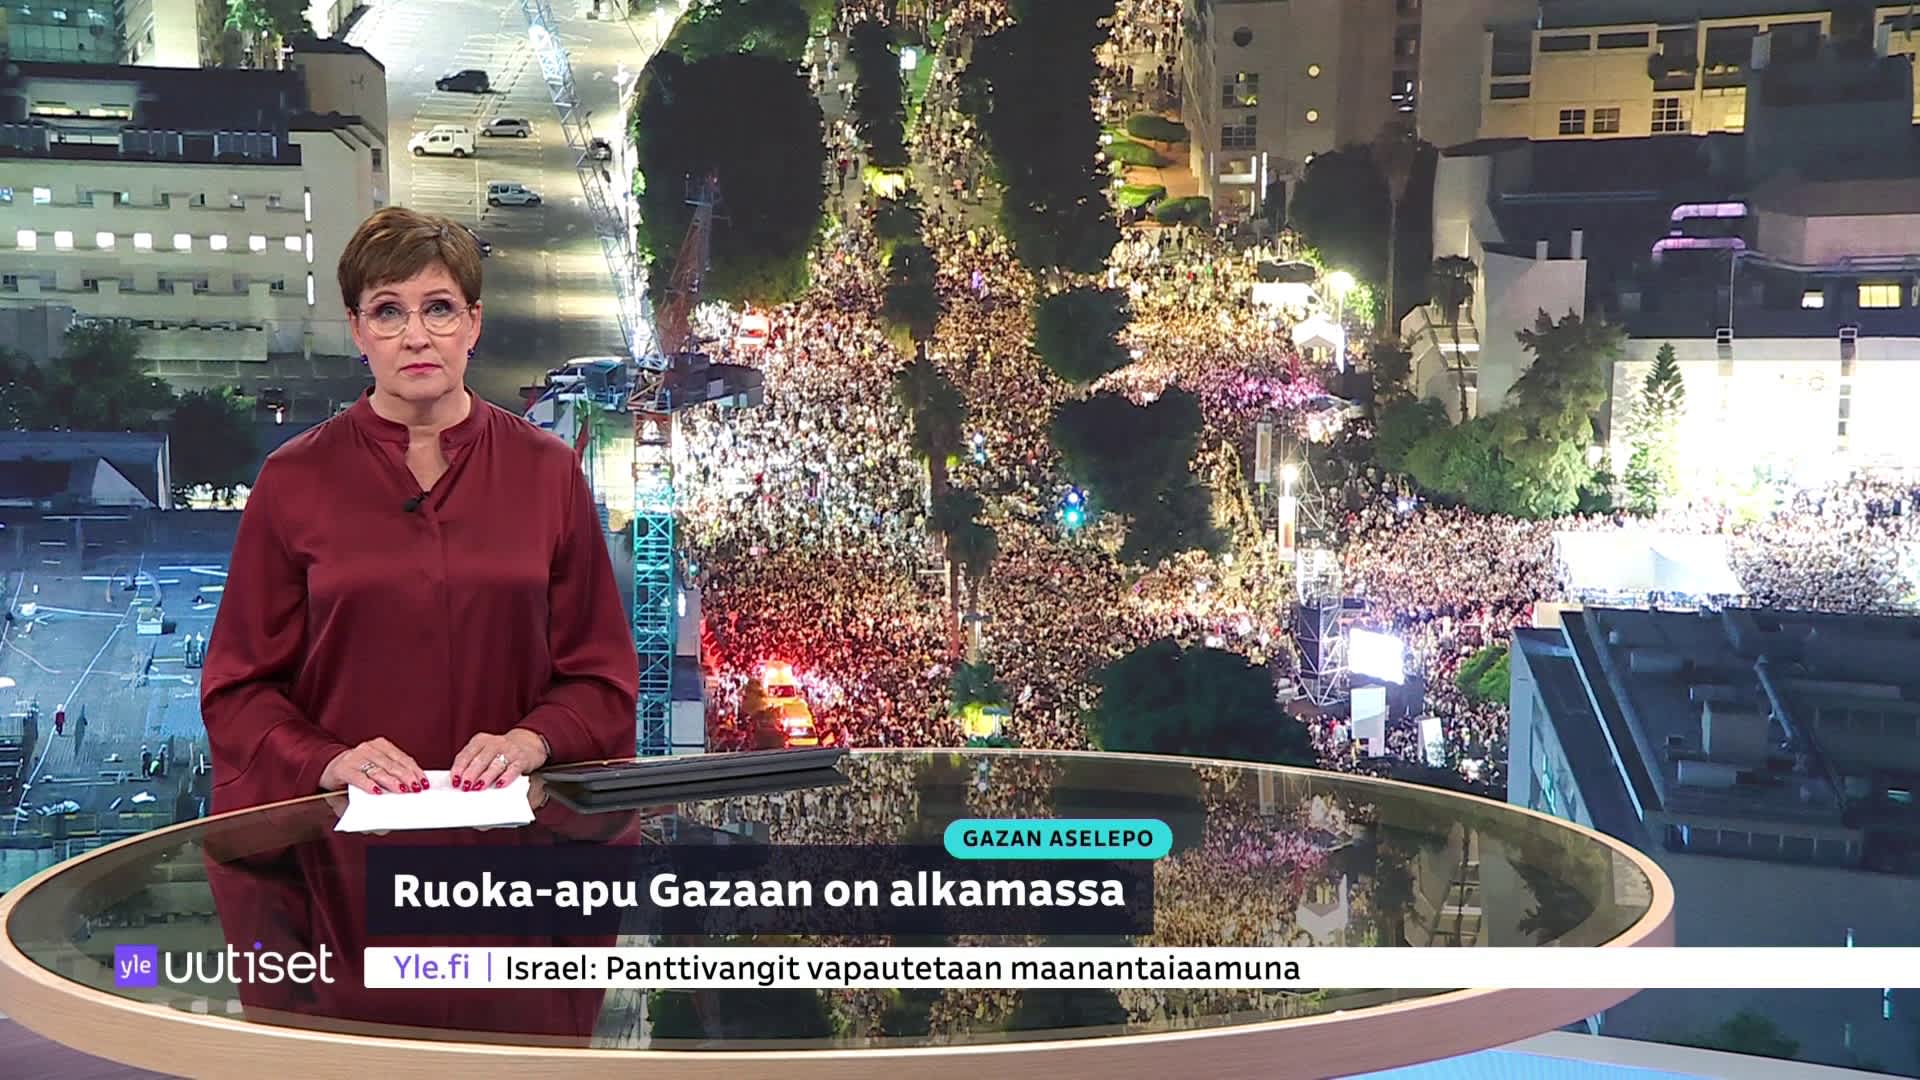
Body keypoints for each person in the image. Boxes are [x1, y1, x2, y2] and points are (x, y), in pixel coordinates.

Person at [200, 206, 637, 813]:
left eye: (439, 308)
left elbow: (601, 679)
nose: (416, 336)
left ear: (473, 323)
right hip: (350, 847)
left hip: (514, 847)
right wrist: (325, 760)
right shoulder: (292, 480)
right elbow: (238, 690)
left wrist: (534, 739)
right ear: (357, 330)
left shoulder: (548, 472)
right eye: (387, 311)